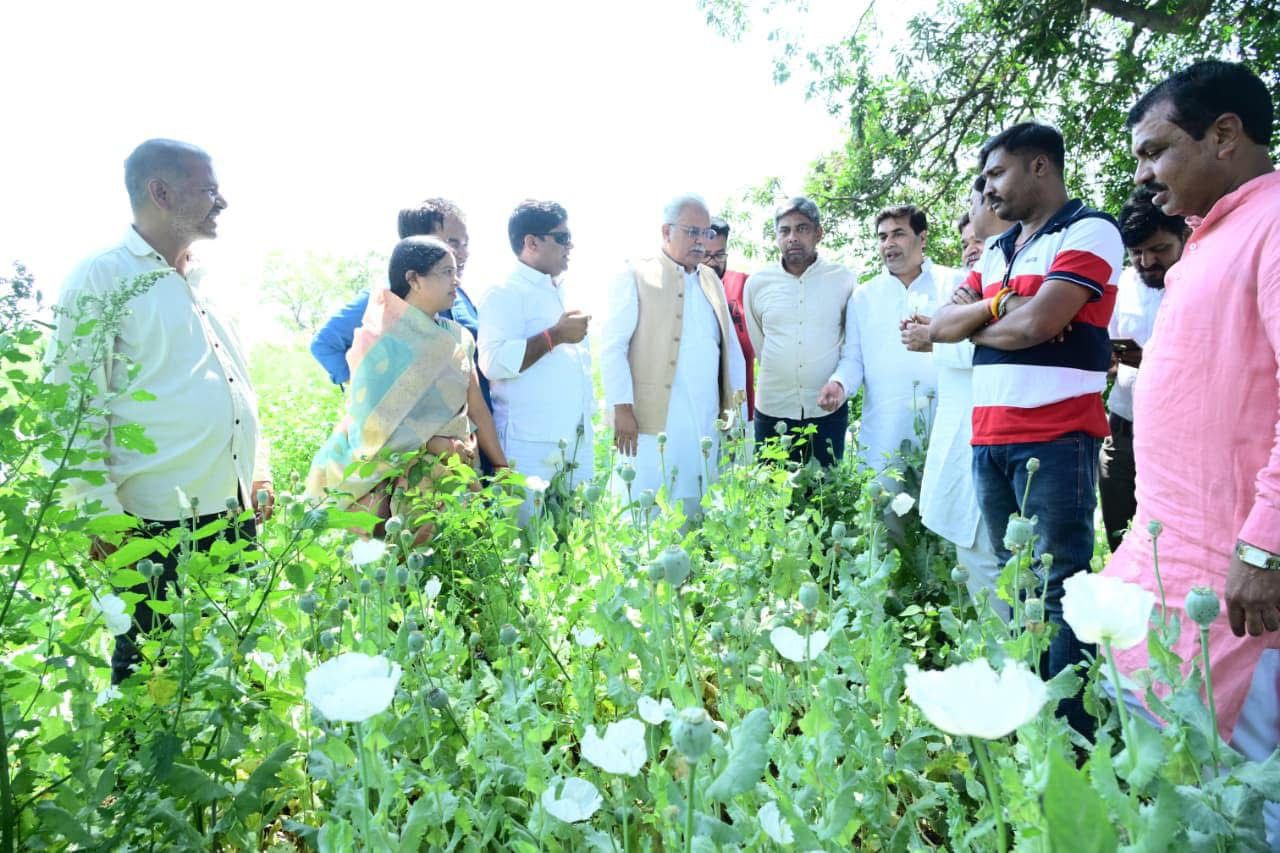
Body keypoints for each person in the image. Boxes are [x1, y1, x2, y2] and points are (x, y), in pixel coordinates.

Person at [1102, 63, 1280, 844]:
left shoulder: (1273, 223)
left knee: (1246, 804)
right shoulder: (1212, 235)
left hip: (1241, 586)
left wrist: (1264, 544)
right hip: (1171, 565)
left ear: (1225, 135)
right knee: (1186, 788)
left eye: (1155, 150)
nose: (1142, 174)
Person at [46, 139, 273, 684]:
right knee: (152, 676)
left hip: (232, 510)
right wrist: (99, 516)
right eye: (209, 190)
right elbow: (70, 408)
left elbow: (236, 384)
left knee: (230, 671)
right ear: (161, 192)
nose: (223, 202)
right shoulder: (101, 277)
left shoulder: (210, 281)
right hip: (150, 526)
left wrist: (258, 469)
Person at [930, 122, 1123, 735]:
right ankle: (1027, 718)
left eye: (997, 174)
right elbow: (939, 326)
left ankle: (1070, 733)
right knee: (1017, 584)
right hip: (988, 437)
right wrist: (999, 307)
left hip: (1057, 437)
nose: (987, 190)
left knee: (1059, 583)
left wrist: (984, 322)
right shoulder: (996, 250)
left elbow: (1038, 324)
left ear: (1040, 166)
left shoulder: (1090, 230)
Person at [306, 237, 507, 542]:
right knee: (396, 558)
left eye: (456, 272)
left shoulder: (459, 337)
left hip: (456, 470)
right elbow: (371, 424)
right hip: (393, 478)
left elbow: (477, 408)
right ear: (414, 279)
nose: (456, 280)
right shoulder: (381, 341)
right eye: (446, 272)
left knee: (458, 558)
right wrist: (433, 444)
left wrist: (502, 466)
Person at [906, 181, 1015, 617]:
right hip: (957, 435)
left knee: (991, 558)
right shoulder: (968, 288)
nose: (972, 250)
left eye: (980, 241)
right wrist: (943, 327)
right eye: (966, 243)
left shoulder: (1010, 281)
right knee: (969, 557)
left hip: (992, 436)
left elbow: (1007, 347)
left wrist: (938, 336)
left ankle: (1011, 651)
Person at [601, 194, 744, 518]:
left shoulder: (711, 280)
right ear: (666, 231)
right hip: (652, 421)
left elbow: (731, 352)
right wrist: (622, 407)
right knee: (648, 507)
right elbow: (613, 346)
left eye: (706, 233)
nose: (701, 241)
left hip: (706, 416)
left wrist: (737, 411)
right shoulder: (635, 274)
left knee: (699, 503)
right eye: (692, 232)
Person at [477, 201, 594, 524]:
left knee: (582, 539)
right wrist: (553, 336)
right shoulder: (504, 292)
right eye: (562, 237)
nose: (570, 245)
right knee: (526, 540)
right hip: (529, 445)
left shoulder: (565, 290)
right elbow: (492, 362)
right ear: (531, 242)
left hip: (576, 441)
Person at [826, 204, 953, 481]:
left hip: (945, 428)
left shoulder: (953, 283)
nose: (889, 243)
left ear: (922, 238)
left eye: (898, 234)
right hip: (884, 434)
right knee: (883, 507)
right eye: (882, 237)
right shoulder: (863, 297)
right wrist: (839, 384)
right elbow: (853, 359)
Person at [309, 198, 483, 392]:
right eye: (452, 242)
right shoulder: (386, 296)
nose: (463, 253)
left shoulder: (460, 296)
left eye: (465, 243)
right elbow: (324, 345)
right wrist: (375, 394)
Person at [1098, 186, 1185, 552]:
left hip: (1181, 434)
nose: (1147, 261)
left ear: (1184, 235)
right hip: (1124, 429)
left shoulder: (1202, 280)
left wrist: (1154, 360)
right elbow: (1107, 345)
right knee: (1121, 536)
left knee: (1173, 540)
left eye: (1159, 249)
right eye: (1136, 252)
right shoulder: (1120, 285)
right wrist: (1106, 358)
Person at [743, 197, 855, 466]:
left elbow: (850, 342)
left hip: (827, 410)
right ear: (776, 237)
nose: (792, 237)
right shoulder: (758, 283)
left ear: (818, 233)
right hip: (773, 408)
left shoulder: (843, 279)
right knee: (772, 488)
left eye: (801, 228)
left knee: (827, 488)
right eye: (784, 230)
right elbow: (760, 343)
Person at [706, 217, 756, 423]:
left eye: (719, 255)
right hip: (700, 412)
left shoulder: (745, 284)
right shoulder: (684, 291)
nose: (712, 262)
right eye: (706, 255)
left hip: (742, 411)